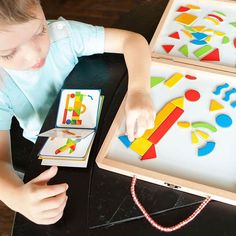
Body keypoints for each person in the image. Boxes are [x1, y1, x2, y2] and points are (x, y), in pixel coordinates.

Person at [0, 0, 155, 225]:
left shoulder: (64, 37)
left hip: (108, 123)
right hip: (58, 159)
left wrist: (140, 89)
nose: (35, 55)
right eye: (9, 53)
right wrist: (15, 197)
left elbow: (132, 41)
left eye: (40, 30)